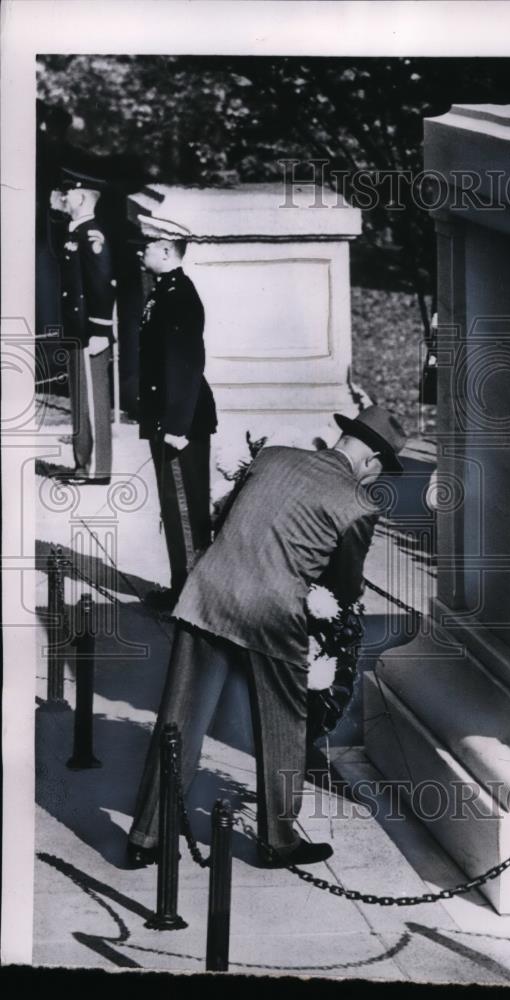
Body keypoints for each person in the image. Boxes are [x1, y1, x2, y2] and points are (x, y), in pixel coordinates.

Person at [126, 405, 407, 868]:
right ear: (372, 461)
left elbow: (226, 518)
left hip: (210, 592)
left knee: (179, 721)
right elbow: (344, 587)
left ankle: (145, 837)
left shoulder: (271, 458)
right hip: (273, 615)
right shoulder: (358, 505)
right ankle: (277, 840)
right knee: (284, 724)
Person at [134, 216, 217, 610]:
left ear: (166, 250)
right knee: (174, 504)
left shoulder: (179, 294)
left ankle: (190, 599)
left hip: (179, 422)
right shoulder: (163, 291)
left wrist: (178, 425)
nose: (141, 250)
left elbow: (188, 362)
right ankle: (182, 585)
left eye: (147, 245)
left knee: (185, 508)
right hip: (167, 417)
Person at [50, 166, 116, 484]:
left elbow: (102, 285)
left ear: (80, 196)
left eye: (68, 193)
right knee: (81, 401)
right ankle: (82, 463)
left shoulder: (92, 235)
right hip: (79, 331)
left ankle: (95, 469)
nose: (64, 198)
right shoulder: (75, 231)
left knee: (92, 402)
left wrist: (101, 330)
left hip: (91, 333)